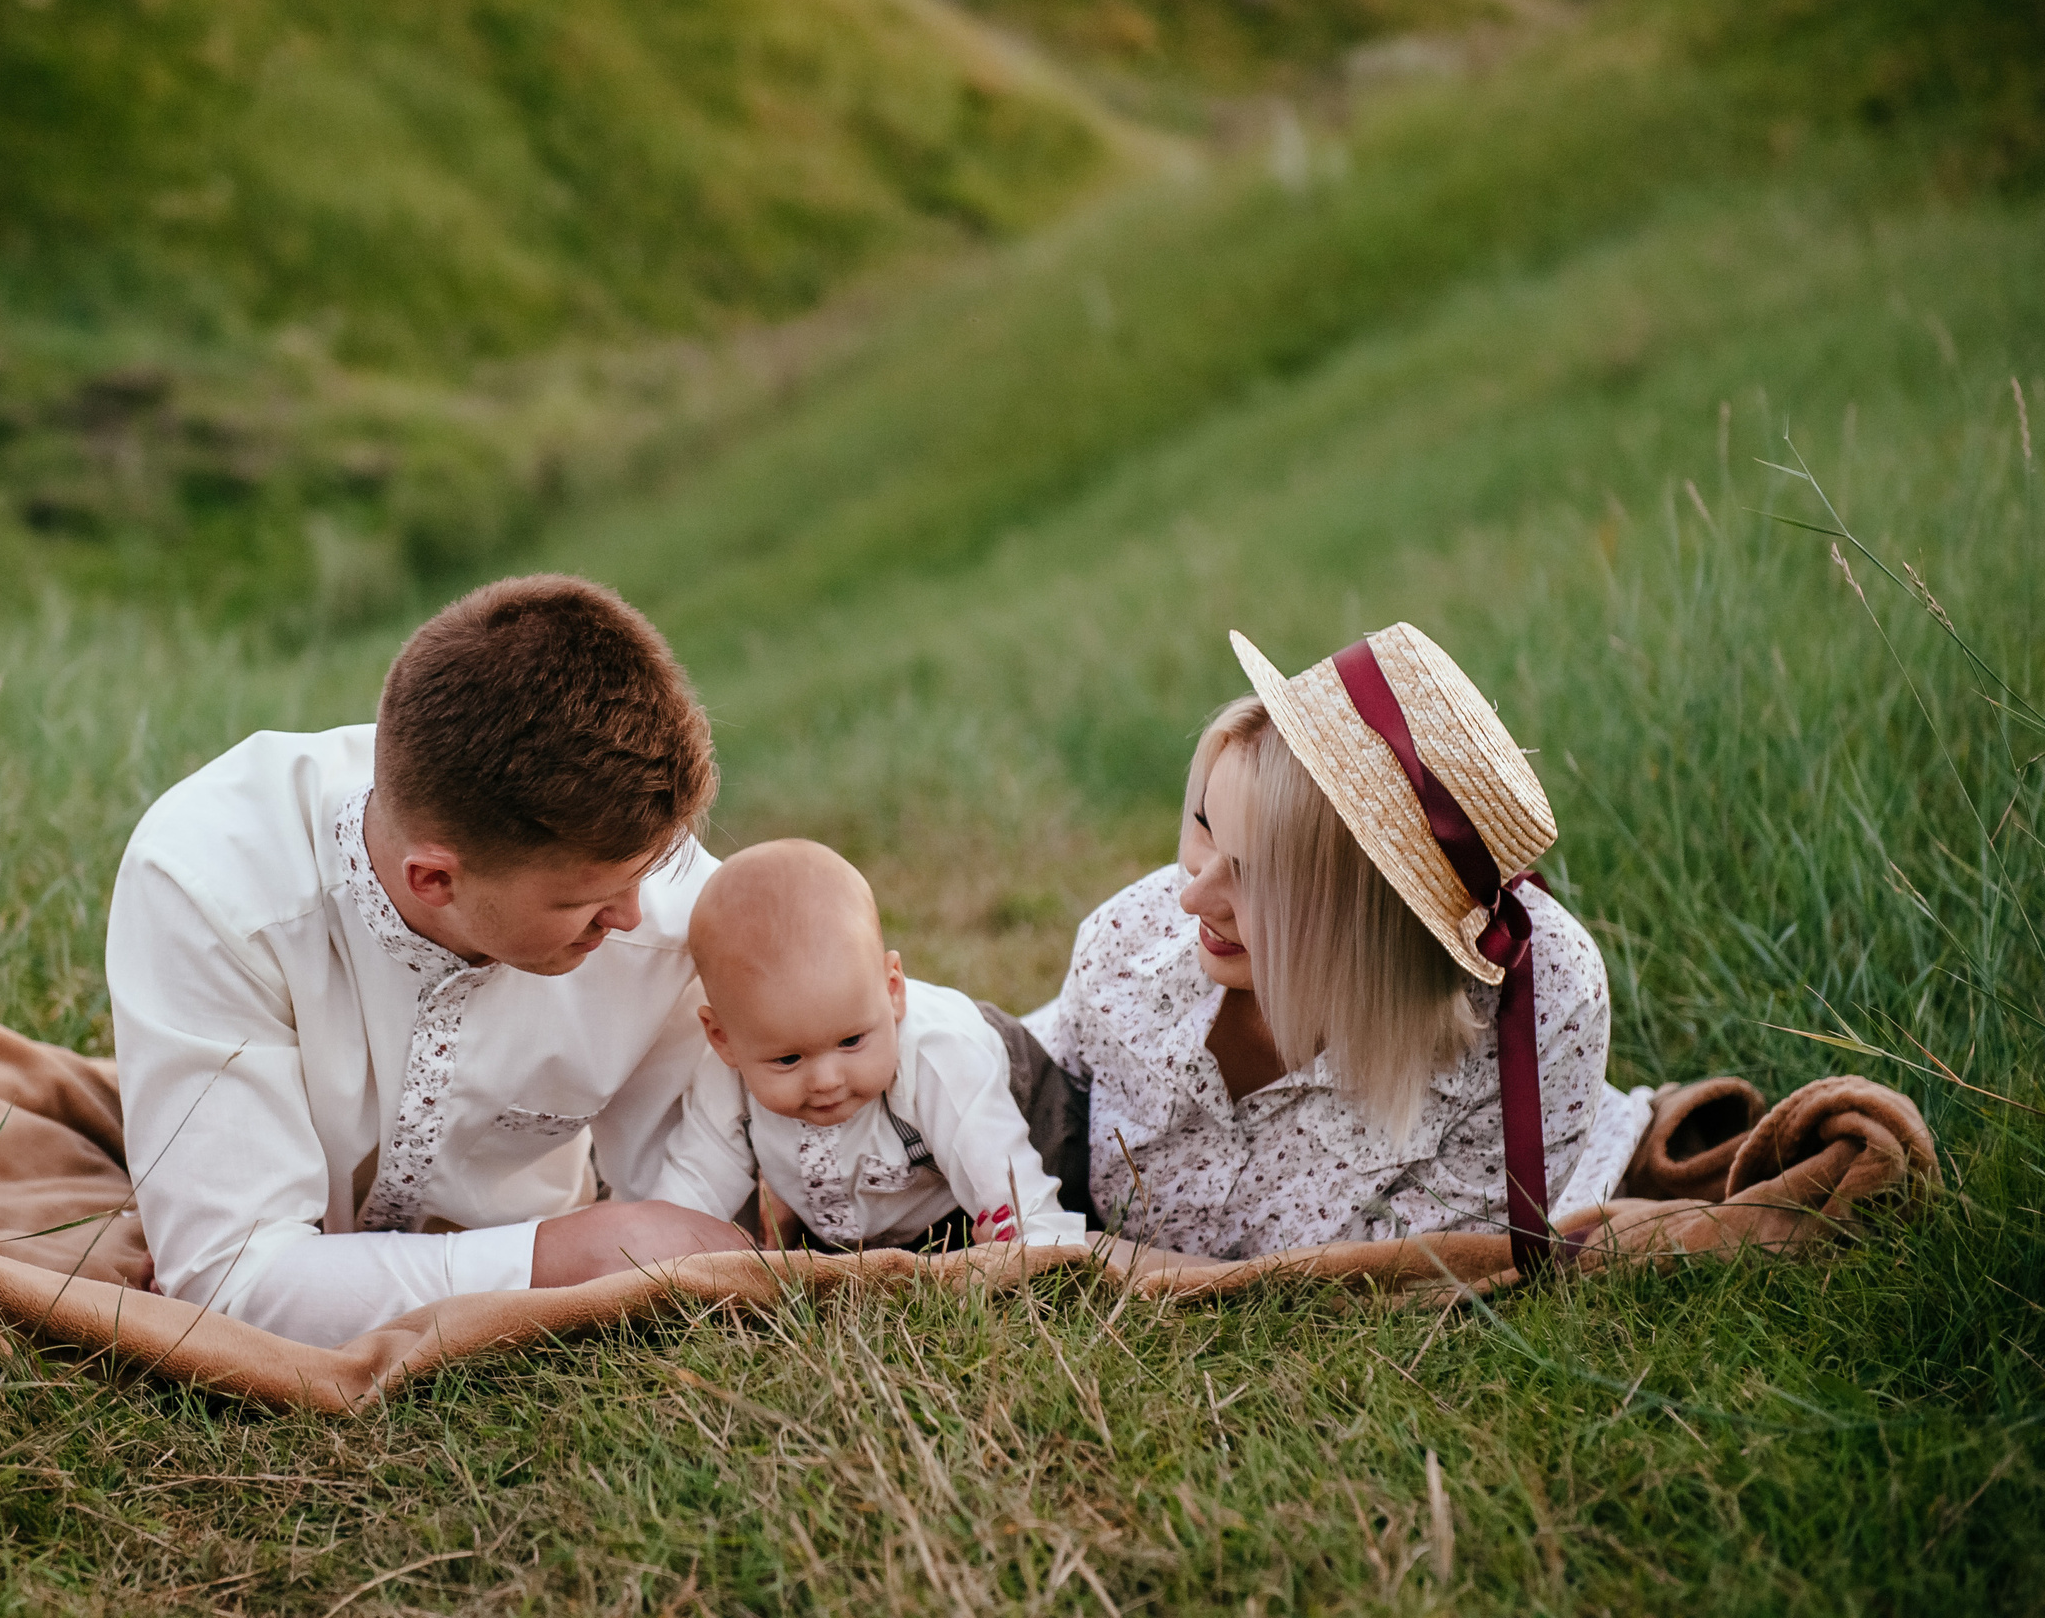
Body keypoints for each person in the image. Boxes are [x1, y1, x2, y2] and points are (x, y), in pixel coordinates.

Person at [106, 575, 750, 1346]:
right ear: (435, 879)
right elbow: (230, 1290)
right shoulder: (208, 884)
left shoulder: (684, 913)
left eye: (650, 872)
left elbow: (719, 1195)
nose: (631, 917)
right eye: (588, 901)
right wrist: (564, 1257)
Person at [1016, 623, 1651, 1264]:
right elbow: (1017, 1085)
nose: (1192, 898)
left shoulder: (1530, 1021)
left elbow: (1409, 1277)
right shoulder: (1129, 949)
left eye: (1257, 875)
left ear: (1371, 922)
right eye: (1205, 824)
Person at [652, 840, 1088, 1251]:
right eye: (788, 1059)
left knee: (1048, 1213)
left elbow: (1013, 1187)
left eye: (851, 1041)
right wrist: (657, 1254)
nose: (826, 1080)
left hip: (1021, 1130)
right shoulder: (725, 1080)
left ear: (892, 989)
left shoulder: (939, 1057)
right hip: (876, 1216)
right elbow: (691, 1194)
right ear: (723, 1038)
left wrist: (1026, 1235)